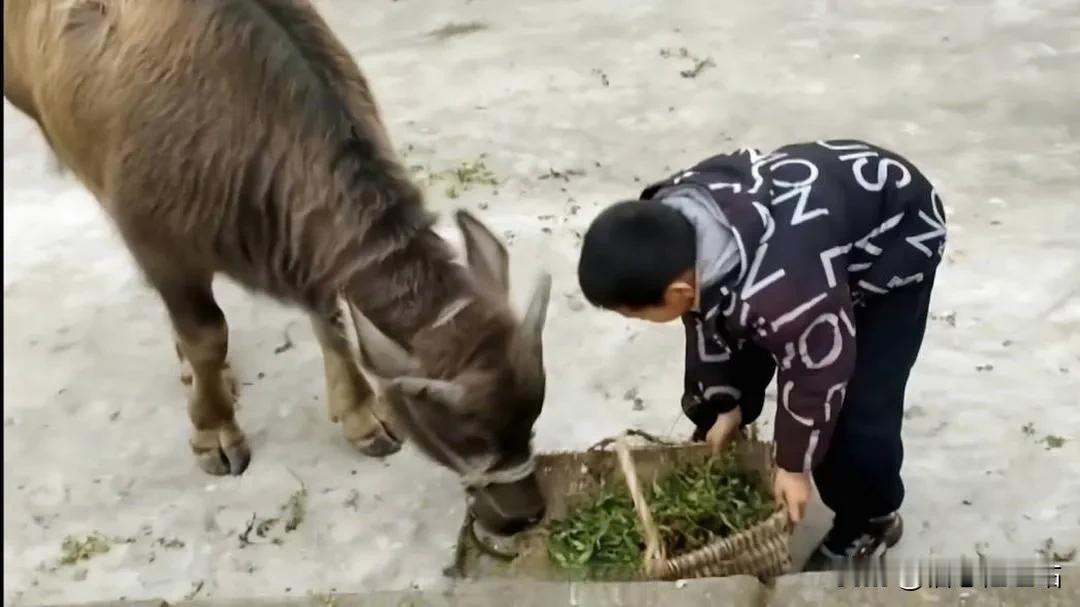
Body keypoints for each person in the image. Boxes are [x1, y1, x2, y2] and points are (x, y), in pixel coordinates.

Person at [576, 139, 947, 568]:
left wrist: (794, 465)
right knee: (733, 331)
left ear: (678, 291)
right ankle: (730, 414)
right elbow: (708, 318)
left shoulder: (786, 295)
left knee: (855, 410)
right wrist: (726, 404)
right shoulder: (679, 220)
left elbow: (817, 377)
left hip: (897, 239)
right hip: (816, 231)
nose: (636, 321)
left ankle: (872, 517)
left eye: (637, 315)